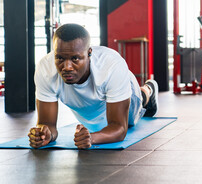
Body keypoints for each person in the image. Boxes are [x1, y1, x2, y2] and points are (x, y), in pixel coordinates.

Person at [28, 23, 158, 149]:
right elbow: (47, 124)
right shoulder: (45, 69)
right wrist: (44, 134)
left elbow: (119, 128)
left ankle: (148, 89)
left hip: (123, 92)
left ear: (89, 53)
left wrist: (91, 138)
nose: (66, 67)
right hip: (93, 111)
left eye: (75, 59)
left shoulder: (111, 66)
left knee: (136, 109)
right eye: (60, 58)